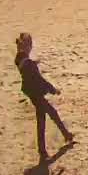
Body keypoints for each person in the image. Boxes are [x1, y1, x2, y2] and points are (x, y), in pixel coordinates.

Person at [15, 32, 72, 160]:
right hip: (36, 93)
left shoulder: (19, 59)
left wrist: (33, 63)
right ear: (27, 46)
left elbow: (24, 63)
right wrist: (53, 90)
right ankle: (64, 137)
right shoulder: (28, 64)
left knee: (43, 118)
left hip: (30, 92)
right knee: (51, 114)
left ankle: (51, 145)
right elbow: (40, 80)